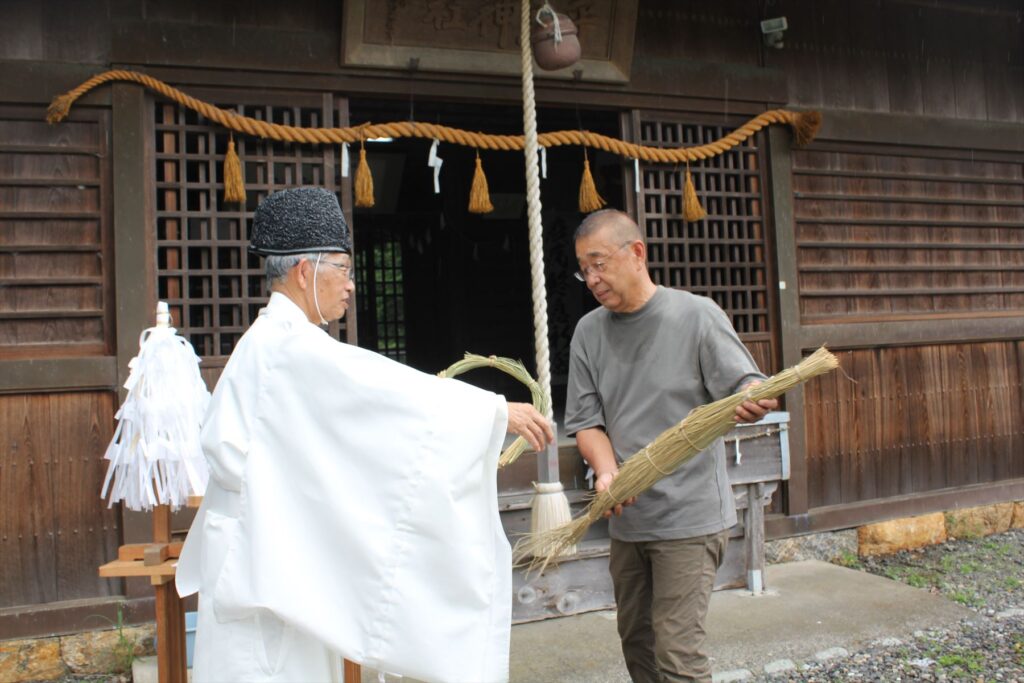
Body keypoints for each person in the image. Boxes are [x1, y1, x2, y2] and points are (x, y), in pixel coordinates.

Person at [176, 187, 552, 683]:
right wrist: (492, 411)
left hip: (273, 557)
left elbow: (362, 407)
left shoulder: (280, 344)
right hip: (263, 566)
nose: (350, 285)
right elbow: (380, 393)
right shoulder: (285, 348)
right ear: (305, 272)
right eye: (342, 268)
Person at [564, 209, 777, 683]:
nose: (592, 279)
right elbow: (586, 422)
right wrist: (606, 472)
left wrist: (749, 396)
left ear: (636, 253)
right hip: (629, 516)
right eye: (585, 269)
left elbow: (747, 381)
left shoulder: (696, 315)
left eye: (599, 263)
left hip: (690, 517)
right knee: (637, 644)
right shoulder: (588, 332)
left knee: (678, 656)